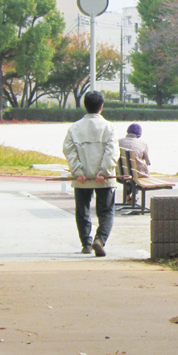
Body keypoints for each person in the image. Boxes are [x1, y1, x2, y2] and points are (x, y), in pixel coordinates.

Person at [63, 91, 119, 256]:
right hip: (104, 179)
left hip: (82, 178)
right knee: (106, 211)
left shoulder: (74, 127)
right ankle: (100, 239)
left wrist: (77, 171)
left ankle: (86, 243)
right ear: (101, 107)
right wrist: (104, 171)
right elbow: (112, 152)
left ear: (85, 106)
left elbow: (69, 151)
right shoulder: (109, 127)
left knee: (82, 210)